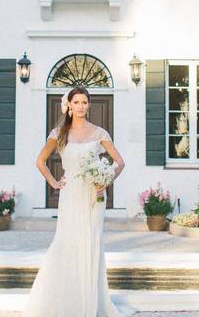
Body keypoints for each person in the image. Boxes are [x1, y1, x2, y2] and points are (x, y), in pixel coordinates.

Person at [22, 85, 125, 317]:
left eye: (84, 102)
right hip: (70, 195)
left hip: (94, 195)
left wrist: (106, 179)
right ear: (68, 105)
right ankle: (66, 299)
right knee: (66, 242)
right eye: (76, 102)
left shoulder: (99, 133)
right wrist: (54, 183)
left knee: (91, 244)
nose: (80, 106)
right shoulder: (58, 133)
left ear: (89, 105)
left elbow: (119, 161)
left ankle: (90, 302)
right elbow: (40, 161)